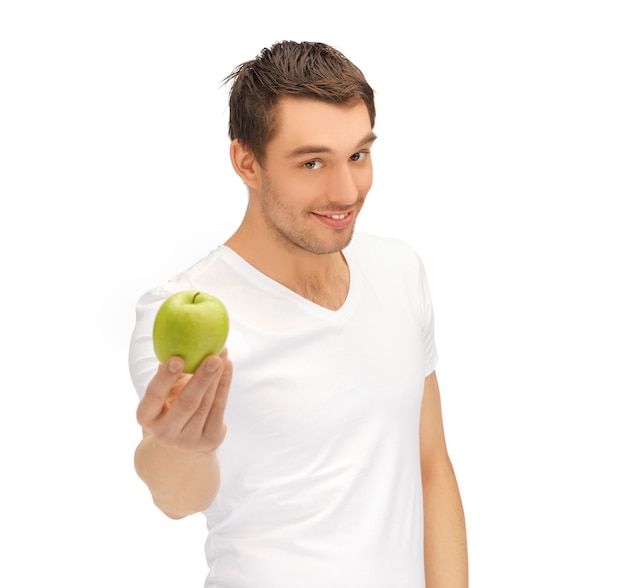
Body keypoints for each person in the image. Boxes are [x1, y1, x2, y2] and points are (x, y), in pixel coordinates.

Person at [129, 40, 468, 588]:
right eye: (312, 162)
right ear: (247, 162)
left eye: (357, 155)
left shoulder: (399, 269)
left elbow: (431, 461)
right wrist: (176, 445)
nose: (345, 191)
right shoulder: (178, 308)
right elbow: (176, 496)